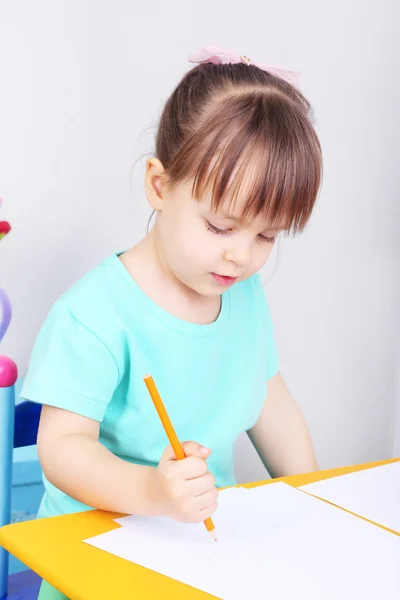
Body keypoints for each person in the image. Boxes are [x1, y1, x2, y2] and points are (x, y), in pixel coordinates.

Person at [22, 45, 322, 599]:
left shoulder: (243, 294)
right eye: (220, 226)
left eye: (266, 236)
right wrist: (151, 492)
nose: (241, 257)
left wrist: (311, 494)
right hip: (99, 552)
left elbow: (267, 395)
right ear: (160, 186)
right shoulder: (93, 315)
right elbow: (63, 449)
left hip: (203, 549)